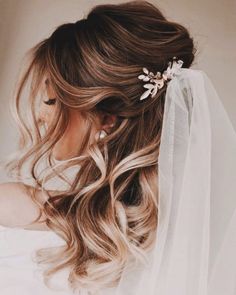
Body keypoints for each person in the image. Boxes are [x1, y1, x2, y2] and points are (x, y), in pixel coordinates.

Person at [0, 1, 235, 295]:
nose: (39, 116)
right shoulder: (197, 239)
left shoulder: (12, 211)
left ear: (107, 121)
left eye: (51, 100)